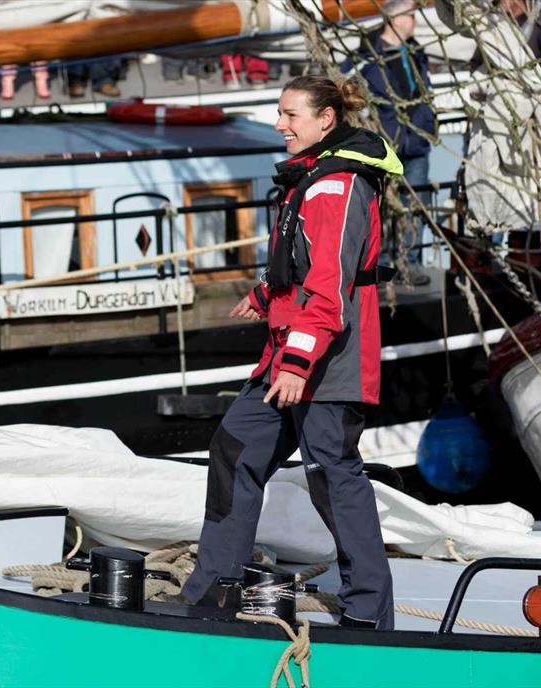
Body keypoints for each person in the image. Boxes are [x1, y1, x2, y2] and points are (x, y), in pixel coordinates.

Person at [180, 75, 402, 630]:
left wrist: (300, 363)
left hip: (327, 357)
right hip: (291, 354)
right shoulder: (313, 179)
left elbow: (329, 288)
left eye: (290, 115)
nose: (279, 125)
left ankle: (369, 611)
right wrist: (264, 295)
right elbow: (302, 266)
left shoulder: (339, 185)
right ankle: (216, 591)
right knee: (235, 448)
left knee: (332, 471)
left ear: (325, 120)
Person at [342, 0, 435, 286]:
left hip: (416, 143)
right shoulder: (367, 56)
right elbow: (344, 86)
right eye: (410, 15)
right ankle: (379, 266)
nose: (415, 21)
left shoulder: (415, 51)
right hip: (385, 146)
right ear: (392, 19)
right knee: (380, 207)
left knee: (414, 204)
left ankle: (410, 265)